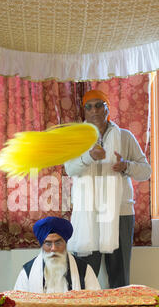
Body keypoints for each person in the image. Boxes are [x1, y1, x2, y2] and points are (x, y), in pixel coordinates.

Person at [64, 89, 151, 288]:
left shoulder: (125, 137)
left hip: (120, 213)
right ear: (84, 112)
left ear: (107, 109)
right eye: (89, 106)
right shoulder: (77, 138)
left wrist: (126, 166)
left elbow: (146, 171)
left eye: (98, 105)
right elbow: (70, 169)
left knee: (119, 277)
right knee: (84, 276)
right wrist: (89, 157)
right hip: (88, 214)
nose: (94, 110)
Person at [13, 216, 101, 293]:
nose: (53, 248)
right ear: (42, 245)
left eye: (58, 243)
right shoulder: (27, 272)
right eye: (48, 243)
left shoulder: (83, 269)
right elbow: (18, 304)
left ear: (65, 243)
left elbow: (96, 301)